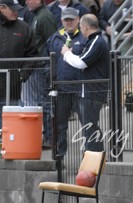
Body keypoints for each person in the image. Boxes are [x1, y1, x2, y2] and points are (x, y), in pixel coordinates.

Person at [61, 13, 110, 152]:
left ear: (85, 27)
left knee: (90, 128)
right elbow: (82, 60)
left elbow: (81, 63)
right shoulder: (95, 41)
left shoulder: (97, 42)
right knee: (89, 128)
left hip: (92, 92)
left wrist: (66, 54)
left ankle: (94, 163)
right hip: (90, 91)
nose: (81, 30)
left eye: (81, 27)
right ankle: (94, 160)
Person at [45, 7, 85, 158]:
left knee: (87, 125)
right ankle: (59, 159)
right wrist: (50, 76)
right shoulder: (54, 38)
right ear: (61, 20)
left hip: (80, 89)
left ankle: (89, 159)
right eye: (66, 20)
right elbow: (46, 60)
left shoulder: (84, 37)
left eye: (71, 19)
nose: (69, 22)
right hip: (61, 89)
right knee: (60, 126)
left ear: (78, 19)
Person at [23, 0, 57, 147]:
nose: (26, 2)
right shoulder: (37, 16)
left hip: (44, 65)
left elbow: (53, 41)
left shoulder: (44, 17)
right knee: (41, 102)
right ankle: (46, 137)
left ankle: (50, 138)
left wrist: (50, 65)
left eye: (29, 0)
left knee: (45, 102)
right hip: (39, 65)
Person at [0, 0, 37, 128]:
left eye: (17, 9)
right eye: (13, 9)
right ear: (2, 8)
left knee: (11, 128)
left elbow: (32, 55)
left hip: (13, 88)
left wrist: (22, 75)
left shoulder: (24, 27)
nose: (16, 12)